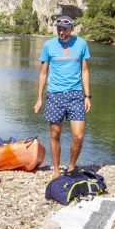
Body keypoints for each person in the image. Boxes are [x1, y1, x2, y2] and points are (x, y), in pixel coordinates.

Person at [33, 15, 92, 178]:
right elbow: (43, 73)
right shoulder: (48, 46)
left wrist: (87, 96)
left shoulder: (81, 44)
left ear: (72, 29)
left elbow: (85, 70)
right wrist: (39, 98)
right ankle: (57, 169)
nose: (61, 31)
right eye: (58, 28)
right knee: (55, 134)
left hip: (75, 95)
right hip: (55, 95)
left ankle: (71, 167)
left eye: (65, 28)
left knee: (78, 135)